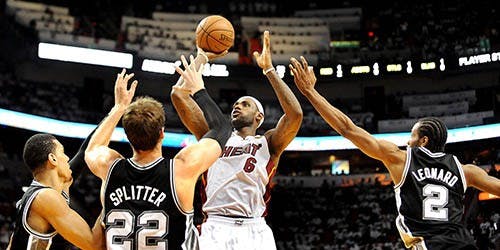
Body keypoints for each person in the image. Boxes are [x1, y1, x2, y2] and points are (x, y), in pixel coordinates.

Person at [289, 56, 500, 249]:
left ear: (423, 140)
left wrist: (310, 92)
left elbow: (347, 128)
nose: (408, 141)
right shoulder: (465, 171)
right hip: (464, 244)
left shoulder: (401, 158)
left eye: (412, 135)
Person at [171, 30, 303, 249]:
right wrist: (202, 57)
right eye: (235, 104)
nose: (237, 106)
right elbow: (178, 95)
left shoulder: (268, 142)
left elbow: (295, 115)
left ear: (259, 117)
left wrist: (269, 70)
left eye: (245, 104)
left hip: (255, 228)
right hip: (215, 226)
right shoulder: (213, 137)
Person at [84, 55, 232, 249]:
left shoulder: (110, 167)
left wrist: (119, 107)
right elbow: (222, 129)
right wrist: (199, 90)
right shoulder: (181, 169)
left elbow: (92, 149)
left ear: (127, 136)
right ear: (162, 133)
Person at [7, 133, 104, 250]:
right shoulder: (45, 197)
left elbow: (83, 152)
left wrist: (115, 114)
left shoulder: (42, 191)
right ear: (53, 159)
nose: (68, 158)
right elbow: (94, 244)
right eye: (62, 152)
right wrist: (108, 197)